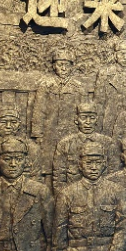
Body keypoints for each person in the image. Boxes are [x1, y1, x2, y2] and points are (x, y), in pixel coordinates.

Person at [53, 141, 126, 251]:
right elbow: (59, 236)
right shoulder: (67, 194)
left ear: (104, 164)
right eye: (89, 163)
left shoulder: (117, 191)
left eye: (97, 162)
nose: (93, 167)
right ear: (80, 165)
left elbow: (123, 231)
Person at [31, 48, 85, 185]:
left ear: (72, 67)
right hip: (50, 132)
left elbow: (84, 110)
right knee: (48, 165)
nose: (63, 68)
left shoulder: (78, 87)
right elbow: (39, 111)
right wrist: (37, 134)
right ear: (54, 66)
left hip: (71, 131)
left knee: (71, 164)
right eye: (60, 64)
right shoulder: (46, 85)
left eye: (67, 65)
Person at [53, 102, 118, 194]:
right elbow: (59, 176)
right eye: (83, 117)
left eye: (92, 118)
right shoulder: (65, 144)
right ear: (76, 119)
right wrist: (62, 197)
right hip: (73, 196)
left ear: (96, 120)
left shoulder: (108, 143)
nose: (88, 122)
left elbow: (113, 173)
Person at [94, 42, 126, 134]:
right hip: (110, 121)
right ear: (115, 56)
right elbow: (98, 103)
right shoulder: (104, 74)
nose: (125, 57)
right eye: (122, 54)